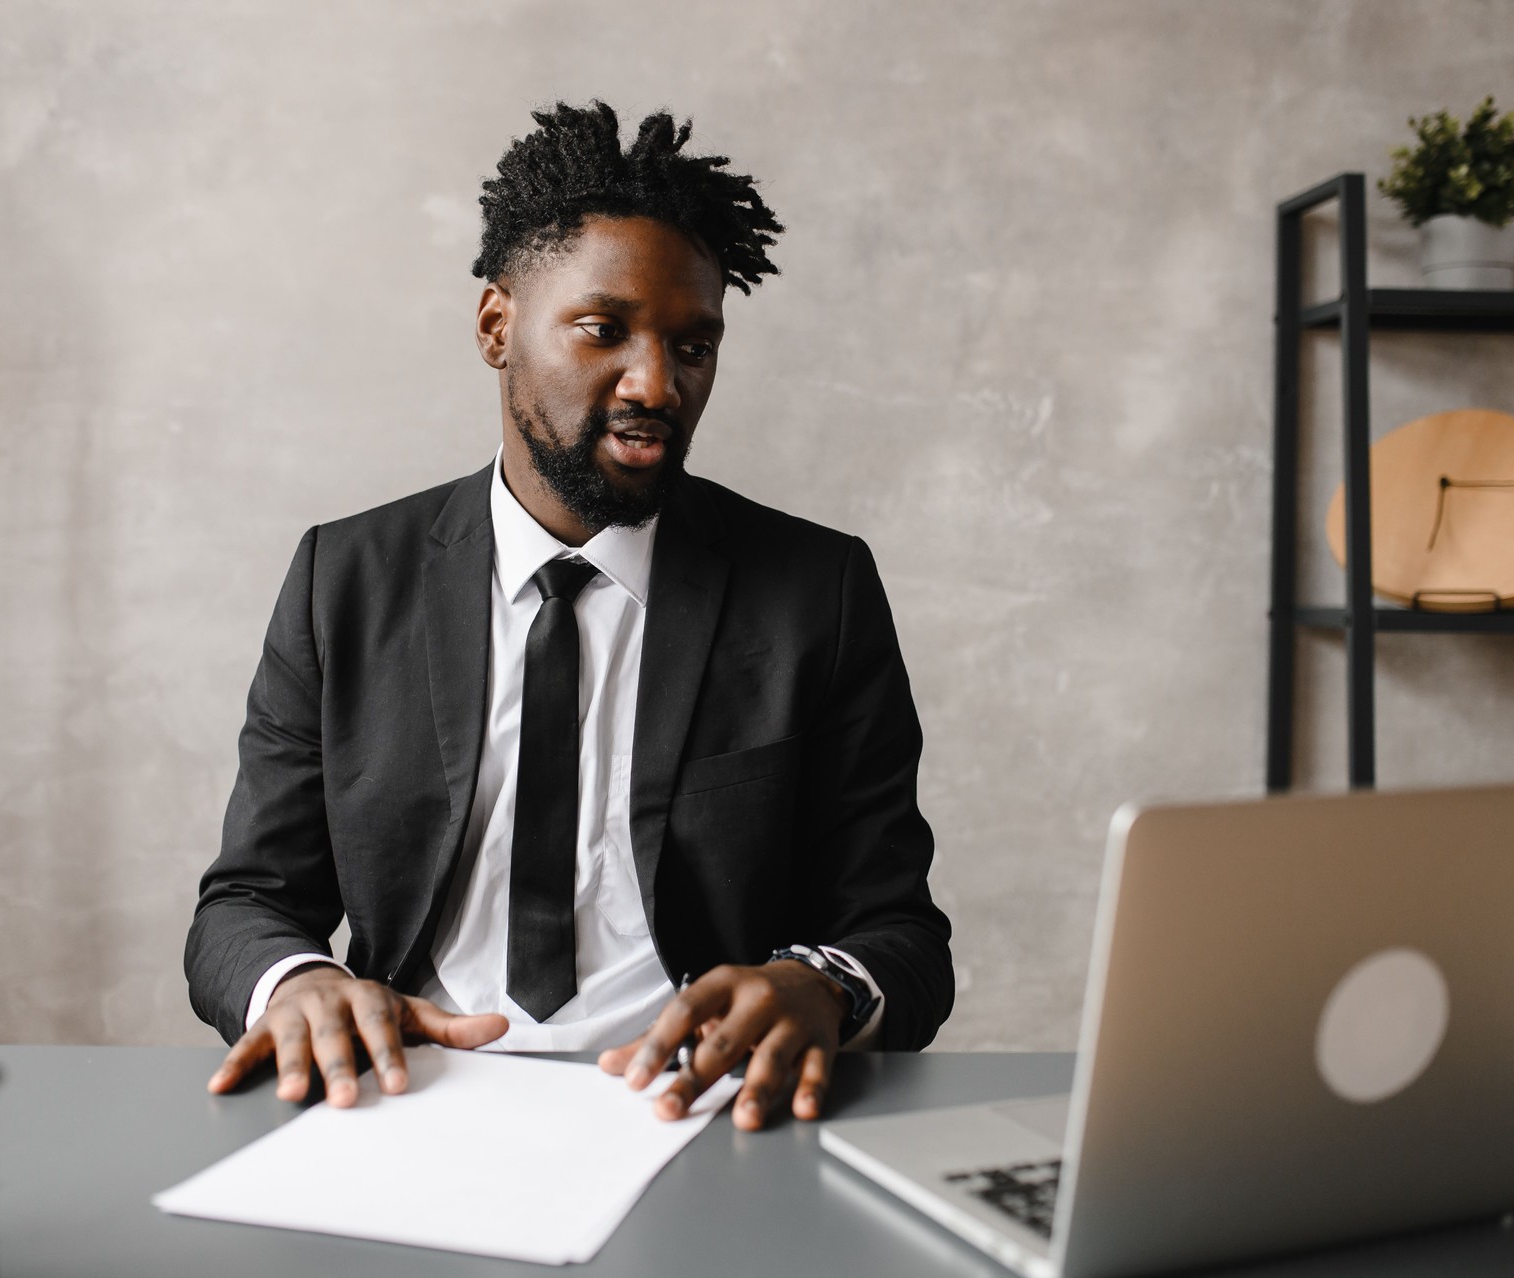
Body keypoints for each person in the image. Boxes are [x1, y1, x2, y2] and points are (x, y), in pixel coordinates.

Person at [186, 101, 952, 1132]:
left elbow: (899, 932)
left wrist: (823, 985)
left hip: (700, 1113)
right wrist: (298, 985)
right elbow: (244, 904)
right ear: (498, 327)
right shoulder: (347, 579)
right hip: (413, 1096)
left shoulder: (815, 590)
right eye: (605, 329)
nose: (656, 384)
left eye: (694, 346)